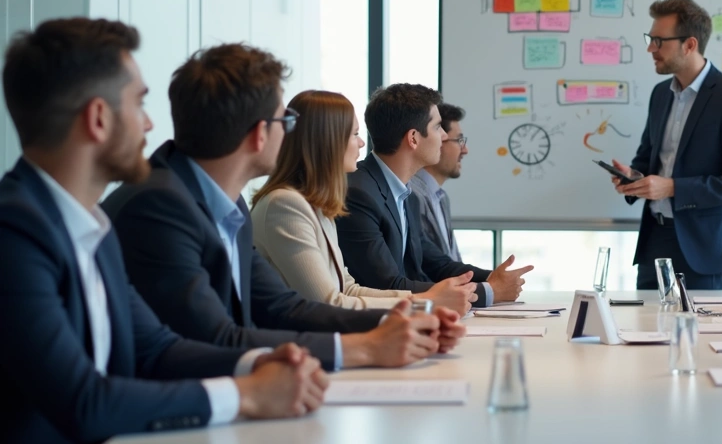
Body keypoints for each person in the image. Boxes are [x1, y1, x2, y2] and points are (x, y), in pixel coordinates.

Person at [0, 18, 327, 442]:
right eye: (139, 104)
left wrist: (256, 364)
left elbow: (156, 349)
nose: (150, 124)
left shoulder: (89, 227)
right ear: (99, 118)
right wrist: (245, 393)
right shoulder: (15, 233)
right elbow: (84, 402)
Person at [104, 44, 462, 371]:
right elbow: (216, 336)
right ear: (260, 134)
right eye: (285, 121)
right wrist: (366, 348)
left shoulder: (230, 206)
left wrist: (402, 321)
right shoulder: (161, 206)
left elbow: (283, 306)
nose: (292, 134)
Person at [609, 0, 722, 290]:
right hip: (654, 240)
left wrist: (672, 187)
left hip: (702, 247)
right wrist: (632, 179)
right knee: (644, 332)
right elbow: (648, 158)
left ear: (689, 44)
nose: (650, 48)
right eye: (650, 39)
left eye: (659, 41)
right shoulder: (660, 94)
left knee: (696, 336)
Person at [339, 83, 533, 307]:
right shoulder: (358, 194)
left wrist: (493, 279)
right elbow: (386, 284)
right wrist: (488, 291)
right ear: (413, 138)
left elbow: (438, 265)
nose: (443, 136)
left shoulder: (407, 196)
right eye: (438, 127)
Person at [251, 90, 417, 310]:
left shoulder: (317, 205)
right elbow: (328, 303)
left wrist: (424, 300)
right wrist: (421, 304)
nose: (360, 143)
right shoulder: (285, 205)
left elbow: (347, 289)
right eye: (354, 134)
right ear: (329, 141)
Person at [407, 102, 469, 262]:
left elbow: (451, 261)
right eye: (459, 141)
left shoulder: (441, 198)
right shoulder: (410, 195)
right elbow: (429, 266)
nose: (465, 150)